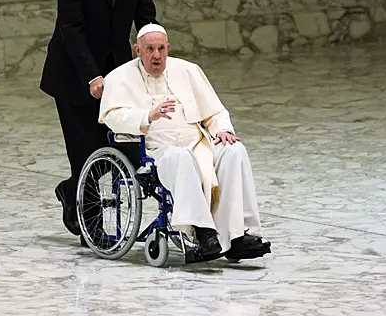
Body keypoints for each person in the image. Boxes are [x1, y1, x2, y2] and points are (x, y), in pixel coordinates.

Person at [98, 23, 272, 260]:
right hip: (156, 150)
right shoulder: (119, 77)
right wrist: (147, 116)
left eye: (161, 49)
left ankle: (238, 235)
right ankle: (203, 232)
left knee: (234, 150)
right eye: (150, 49)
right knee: (180, 157)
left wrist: (222, 129)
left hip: (198, 144)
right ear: (137, 50)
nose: (156, 56)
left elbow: (215, 111)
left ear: (168, 48)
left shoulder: (188, 70)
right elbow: (112, 117)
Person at [40, 0, 157, 237]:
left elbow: (145, 14)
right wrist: (92, 76)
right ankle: (93, 230)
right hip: (73, 74)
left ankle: (70, 190)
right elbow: (71, 27)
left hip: (116, 70)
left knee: (115, 145)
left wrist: (154, 50)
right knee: (85, 150)